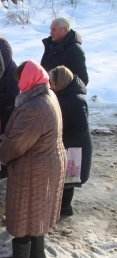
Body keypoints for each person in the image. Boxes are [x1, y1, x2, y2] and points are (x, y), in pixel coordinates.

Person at [0, 60, 66, 258]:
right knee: (38, 209)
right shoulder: (47, 96)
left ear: (29, 80)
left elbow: (16, 145)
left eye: (20, 81)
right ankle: (37, 252)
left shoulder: (34, 108)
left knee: (23, 210)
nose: (18, 85)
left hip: (33, 167)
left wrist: (0, 150)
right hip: (47, 163)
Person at [48, 66, 92, 216]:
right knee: (65, 178)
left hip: (75, 147)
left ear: (62, 82)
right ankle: (61, 208)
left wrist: (61, 143)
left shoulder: (75, 99)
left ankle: (65, 209)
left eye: (52, 83)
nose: (50, 86)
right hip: (69, 144)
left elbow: (81, 127)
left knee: (68, 179)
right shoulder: (65, 93)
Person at [0, 37, 20, 179]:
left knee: (3, 141)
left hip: (6, 114)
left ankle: (5, 168)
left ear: (0, 55)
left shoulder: (11, 70)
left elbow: (13, 95)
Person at [41, 17, 89, 86]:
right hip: (47, 90)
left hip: (60, 94)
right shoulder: (50, 45)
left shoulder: (74, 50)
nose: (51, 33)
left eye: (54, 30)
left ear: (65, 30)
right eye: (51, 29)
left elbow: (82, 80)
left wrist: (62, 91)